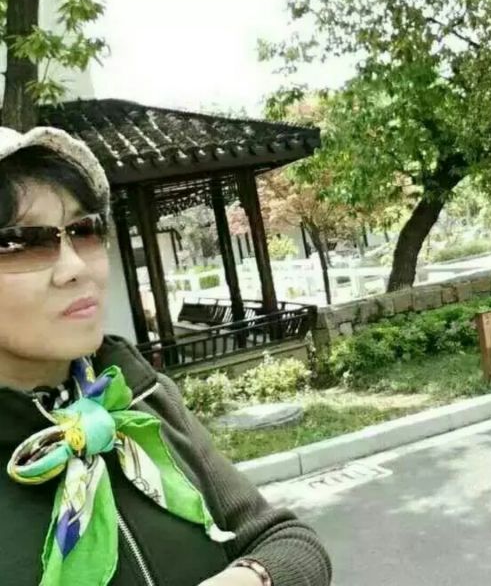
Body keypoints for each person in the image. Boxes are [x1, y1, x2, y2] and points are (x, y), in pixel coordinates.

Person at [0, 126, 332, 586]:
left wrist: (247, 579)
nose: (75, 267)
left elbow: (285, 541)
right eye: (20, 241)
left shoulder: (141, 399)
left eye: (84, 230)